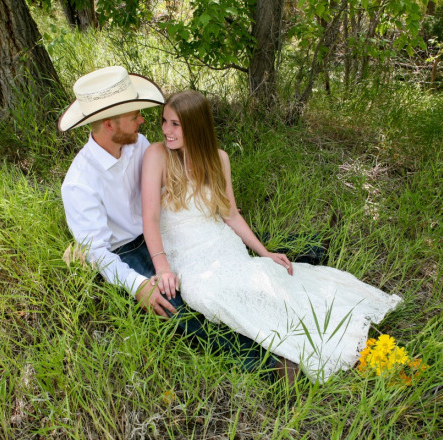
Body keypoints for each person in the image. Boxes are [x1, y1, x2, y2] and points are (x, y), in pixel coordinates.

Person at [141, 90, 402, 382]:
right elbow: (149, 218)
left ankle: (314, 335)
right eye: (164, 121)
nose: (166, 129)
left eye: (175, 124)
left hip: (219, 242)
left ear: (196, 125)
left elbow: (229, 215)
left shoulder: (218, 159)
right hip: (186, 254)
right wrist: (162, 267)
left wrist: (264, 253)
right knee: (205, 293)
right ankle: (280, 350)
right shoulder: (157, 155)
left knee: (262, 277)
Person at [58, 67, 286, 378]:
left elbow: (172, 178)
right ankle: (266, 364)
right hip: (126, 249)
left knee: (226, 265)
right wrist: (139, 286)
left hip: (168, 230)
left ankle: (273, 301)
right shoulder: (79, 184)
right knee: (176, 308)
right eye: (135, 115)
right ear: (110, 124)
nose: (142, 120)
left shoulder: (136, 143)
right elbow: (100, 252)